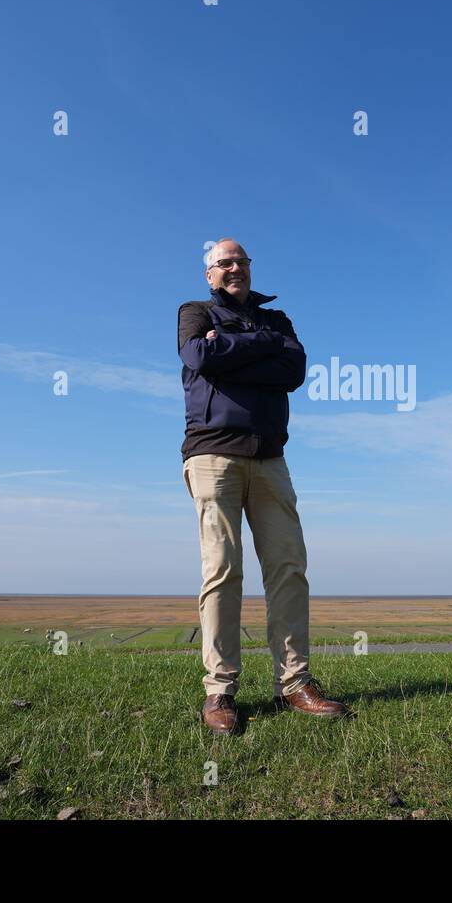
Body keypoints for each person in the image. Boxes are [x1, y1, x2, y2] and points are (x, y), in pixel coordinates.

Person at [177, 237, 350, 735]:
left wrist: (232, 344)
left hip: (270, 457)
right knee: (223, 570)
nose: (234, 268)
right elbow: (199, 358)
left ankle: (295, 684)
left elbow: (294, 370)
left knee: (289, 567)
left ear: (250, 269)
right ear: (210, 274)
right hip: (212, 454)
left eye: (241, 262)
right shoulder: (193, 312)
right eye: (224, 263)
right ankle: (220, 691)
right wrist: (257, 346)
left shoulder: (278, 320)